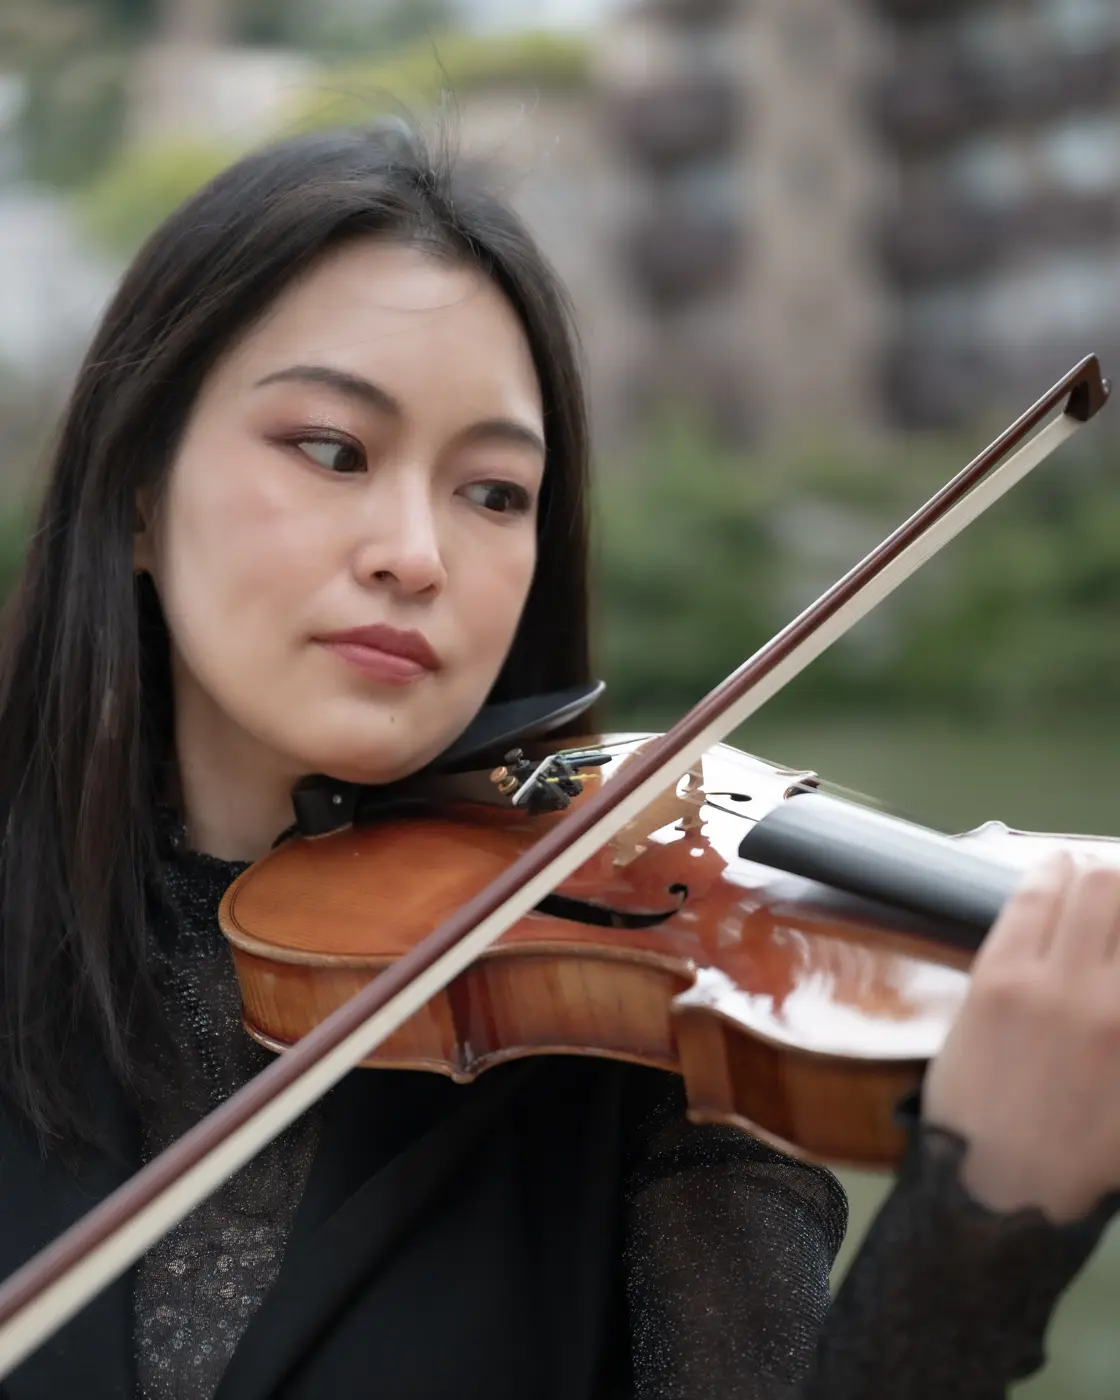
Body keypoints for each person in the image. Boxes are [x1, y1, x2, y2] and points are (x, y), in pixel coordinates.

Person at [0, 120, 1118, 1400]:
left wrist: (977, 1245)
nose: (415, 551)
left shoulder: (650, 1070)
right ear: (137, 488)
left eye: (494, 491)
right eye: (330, 449)